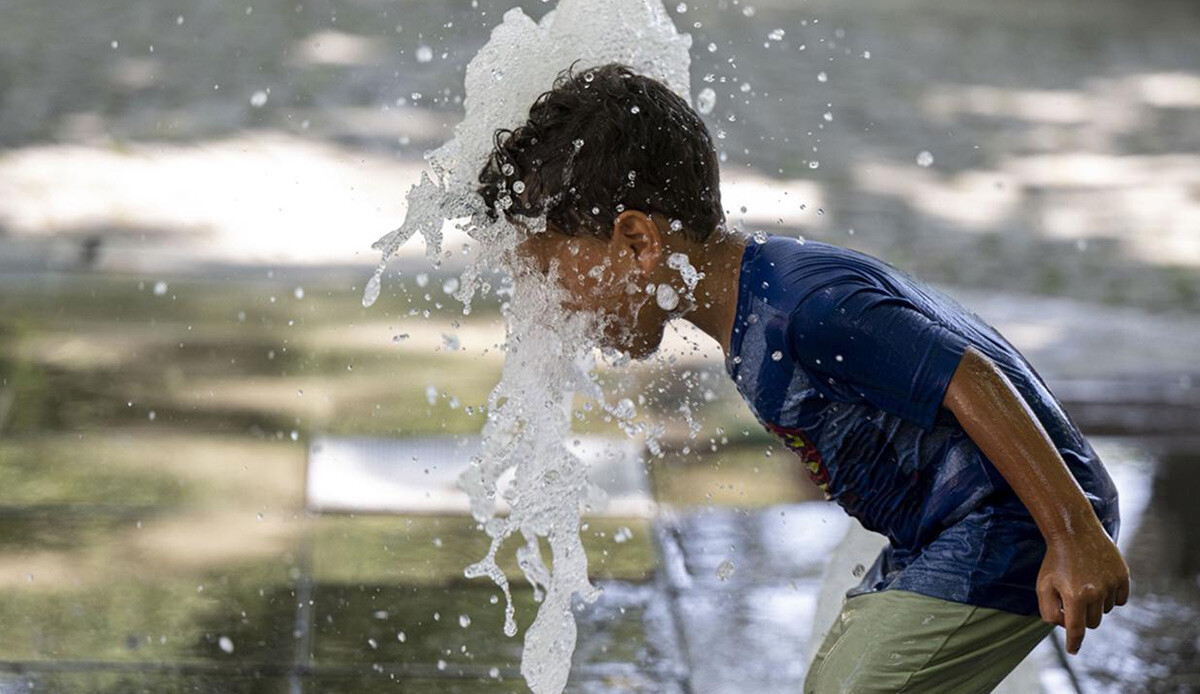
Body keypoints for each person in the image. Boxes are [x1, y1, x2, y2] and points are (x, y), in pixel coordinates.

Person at [476, 61, 1129, 692]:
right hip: (951, 526)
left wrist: (1073, 534)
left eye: (555, 276)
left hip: (1015, 520)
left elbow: (974, 378)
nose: (553, 305)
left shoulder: (803, 308)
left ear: (640, 243)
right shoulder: (756, 308)